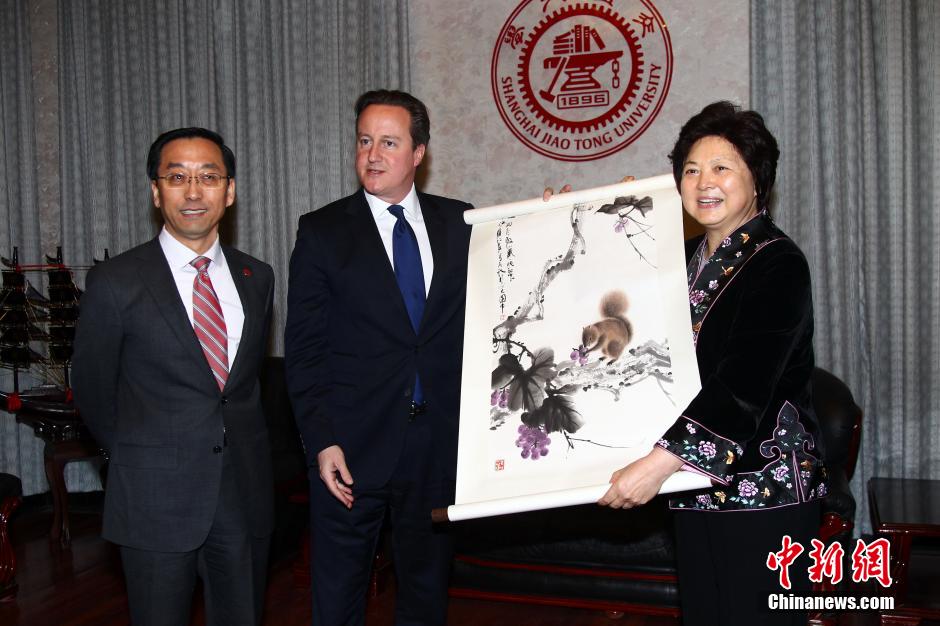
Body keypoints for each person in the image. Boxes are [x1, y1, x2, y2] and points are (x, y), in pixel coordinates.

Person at [595, 102, 827, 625]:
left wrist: (657, 465)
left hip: (764, 489)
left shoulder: (778, 263)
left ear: (757, 181)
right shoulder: (684, 258)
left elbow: (741, 384)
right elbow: (609, 305)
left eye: (723, 167)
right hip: (695, 485)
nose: (704, 182)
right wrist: (565, 222)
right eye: (692, 169)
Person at [72, 127, 275, 626]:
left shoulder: (257, 277)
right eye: (177, 176)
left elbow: (243, 389)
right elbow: (94, 390)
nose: (192, 191)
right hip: (154, 496)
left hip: (242, 494)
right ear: (156, 190)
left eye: (208, 177)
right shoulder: (116, 281)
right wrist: (139, 457)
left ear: (229, 191)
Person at [284, 89, 472, 625]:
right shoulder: (322, 232)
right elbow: (303, 349)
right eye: (364, 141)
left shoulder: (462, 224)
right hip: (350, 449)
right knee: (338, 598)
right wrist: (321, 441)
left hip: (435, 446)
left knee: (425, 594)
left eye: (389, 142)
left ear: (419, 154)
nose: (372, 155)